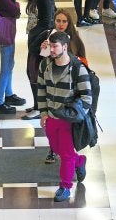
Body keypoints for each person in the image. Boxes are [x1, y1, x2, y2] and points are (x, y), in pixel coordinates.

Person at [37, 31, 91, 202]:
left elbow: (87, 97)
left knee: (66, 154)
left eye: (55, 46)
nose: (51, 50)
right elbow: (41, 90)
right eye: (50, 46)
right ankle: (80, 161)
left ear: (65, 47)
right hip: (52, 117)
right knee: (58, 149)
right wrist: (44, 113)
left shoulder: (78, 68)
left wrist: (77, 116)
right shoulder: (45, 65)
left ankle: (65, 186)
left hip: (69, 119)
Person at [34, 9, 88, 163]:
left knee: (65, 136)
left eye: (64, 21)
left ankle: (70, 162)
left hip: (70, 91)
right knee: (53, 130)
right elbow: (43, 62)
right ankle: (59, 152)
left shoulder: (75, 41)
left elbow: (83, 62)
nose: (61, 24)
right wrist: (44, 49)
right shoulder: (48, 38)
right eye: (58, 21)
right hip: (52, 86)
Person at [24, 0, 55, 120]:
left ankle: (40, 108)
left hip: (40, 42)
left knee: (35, 73)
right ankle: (38, 105)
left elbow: (47, 21)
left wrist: (37, 41)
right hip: (35, 40)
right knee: (32, 72)